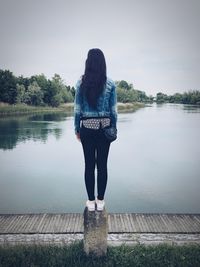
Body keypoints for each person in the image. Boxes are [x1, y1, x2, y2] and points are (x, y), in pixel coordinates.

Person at [74, 48, 117, 211]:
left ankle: (91, 202)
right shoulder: (111, 83)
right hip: (104, 128)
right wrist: (113, 127)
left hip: (87, 128)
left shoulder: (81, 83)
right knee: (103, 166)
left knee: (89, 165)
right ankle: (101, 201)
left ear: (88, 63)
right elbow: (114, 110)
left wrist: (77, 128)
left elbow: (77, 109)